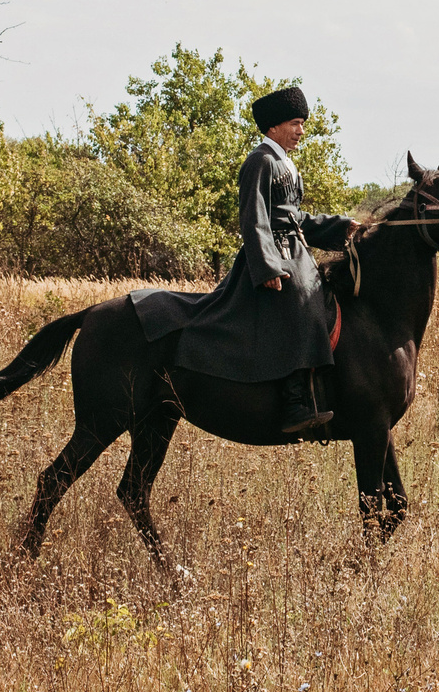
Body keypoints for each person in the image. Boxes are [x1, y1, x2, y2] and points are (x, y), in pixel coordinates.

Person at [129, 85, 353, 437]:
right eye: (296, 123)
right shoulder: (261, 161)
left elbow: (296, 219)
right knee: (301, 304)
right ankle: (295, 400)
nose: (301, 131)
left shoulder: (287, 164)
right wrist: (265, 266)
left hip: (294, 254)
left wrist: (341, 227)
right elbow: (254, 217)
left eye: (302, 123)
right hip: (272, 259)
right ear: (274, 126)